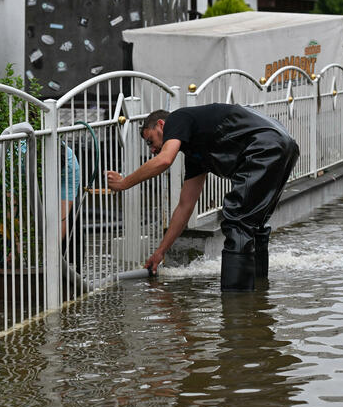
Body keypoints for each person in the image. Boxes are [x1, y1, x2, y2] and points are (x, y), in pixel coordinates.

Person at [106, 103, 298, 291]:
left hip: (265, 147)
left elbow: (164, 159)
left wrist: (124, 183)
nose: (152, 150)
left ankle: (237, 305)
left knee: (237, 223)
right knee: (253, 224)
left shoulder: (177, 118)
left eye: (150, 141)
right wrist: (160, 252)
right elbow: (185, 207)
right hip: (283, 146)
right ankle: (258, 294)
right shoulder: (196, 154)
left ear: (161, 125)